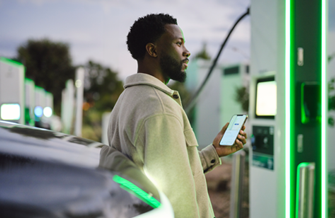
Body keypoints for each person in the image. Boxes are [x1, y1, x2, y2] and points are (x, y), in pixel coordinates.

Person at [99, 13, 247, 218]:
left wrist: (214, 152)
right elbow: (178, 199)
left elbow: (170, 173)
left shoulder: (127, 99)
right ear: (152, 50)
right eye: (178, 44)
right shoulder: (159, 108)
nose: (187, 52)